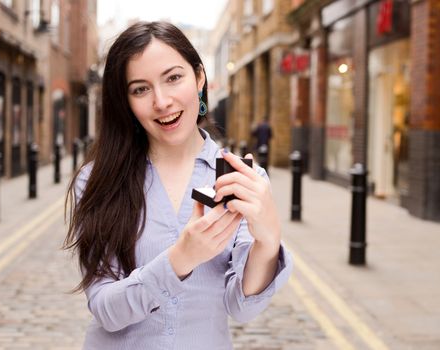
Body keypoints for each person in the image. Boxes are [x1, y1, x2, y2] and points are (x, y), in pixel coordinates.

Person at [64, 21, 292, 350]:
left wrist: (268, 240)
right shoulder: (97, 180)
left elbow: (242, 307)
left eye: (173, 78)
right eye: (140, 89)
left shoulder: (239, 177)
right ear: (125, 101)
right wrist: (179, 260)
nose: (162, 101)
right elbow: (105, 310)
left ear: (199, 78)